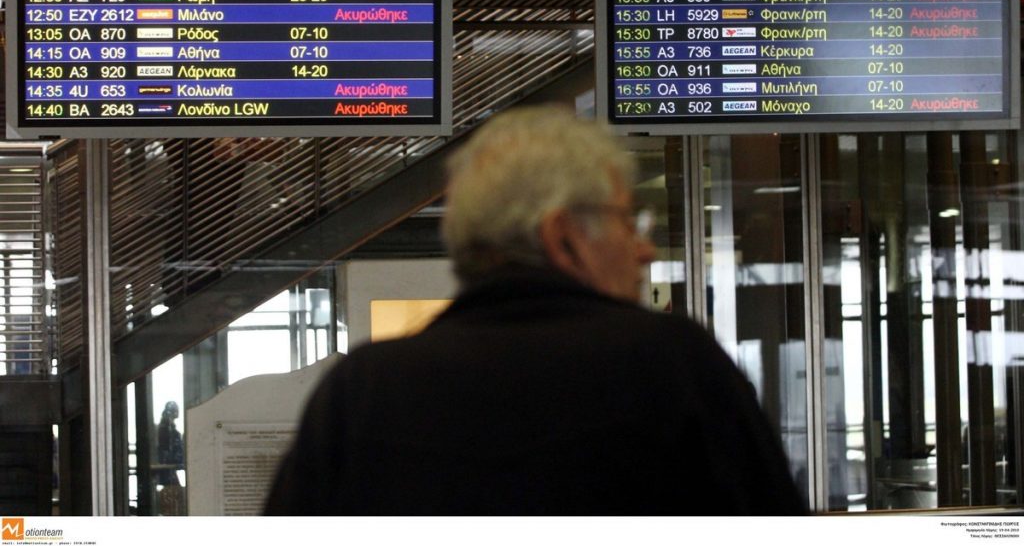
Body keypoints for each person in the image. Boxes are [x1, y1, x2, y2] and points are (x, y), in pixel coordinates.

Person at [264, 105, 805, 515]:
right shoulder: (677, 367)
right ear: (563, 236)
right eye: (628, 223)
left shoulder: (363, 392)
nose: (643, 249)